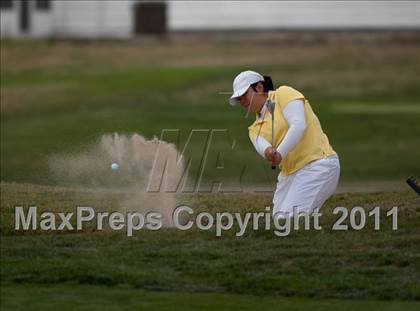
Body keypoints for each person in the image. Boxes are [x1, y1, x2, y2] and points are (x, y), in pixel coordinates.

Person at [229, 70, 340, 218]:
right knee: (278, 221)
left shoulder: (284, 93)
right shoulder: (254, 129)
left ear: (260, 87)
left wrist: (279, 153)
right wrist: (269, 152)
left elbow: (298, 125)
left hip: (318, 165)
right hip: (289, 174)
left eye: (244, 95)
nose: (242, 101)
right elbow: (264, 149)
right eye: (238, 99)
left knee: (287, 220)